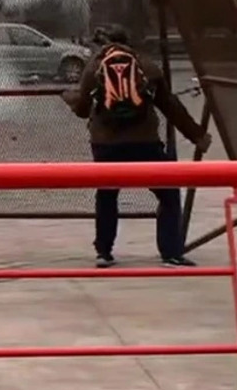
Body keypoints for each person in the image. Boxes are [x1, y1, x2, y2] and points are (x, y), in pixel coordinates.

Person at [62, 24, 212, 268]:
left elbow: (81, 110)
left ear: (102, 43)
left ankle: (104, 252)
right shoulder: (147, 65)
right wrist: (198, 136)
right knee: (168, 194)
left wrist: (69, 97)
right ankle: (171, 253)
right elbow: (170, 106)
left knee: (107, 195)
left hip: (106, 145)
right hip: (145, 143)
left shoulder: (94, 67)